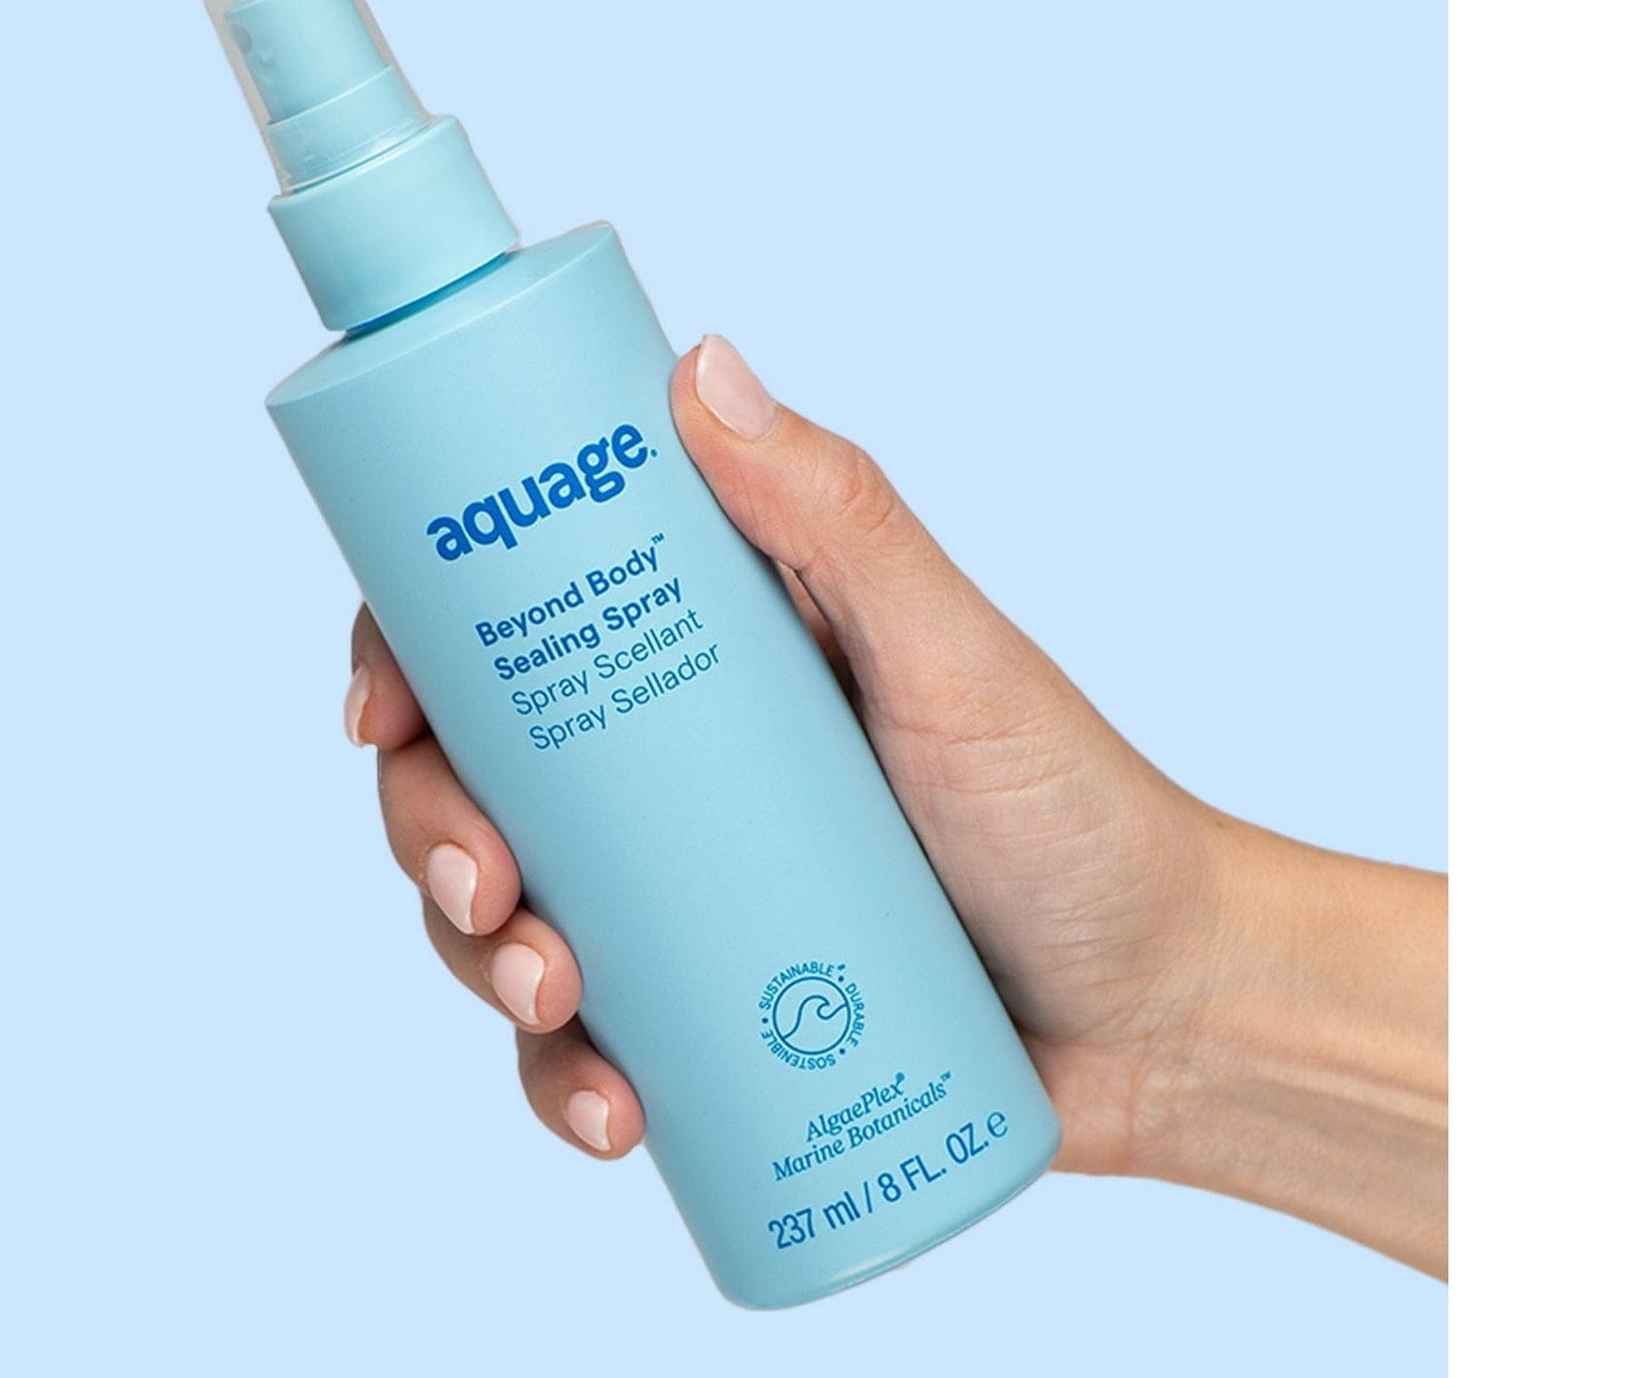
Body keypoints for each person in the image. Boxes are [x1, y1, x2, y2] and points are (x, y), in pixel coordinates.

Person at [345, 336, 1448, 1279]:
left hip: (989, 1059)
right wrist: (1181, 1016)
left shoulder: (560, 321)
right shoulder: (352, 412)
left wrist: (1182, 991)